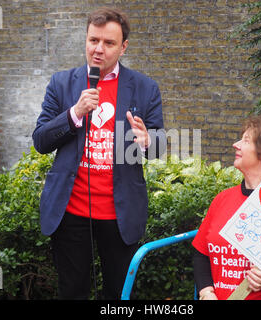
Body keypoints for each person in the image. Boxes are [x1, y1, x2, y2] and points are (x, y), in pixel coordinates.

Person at [32, 7, 165, 299]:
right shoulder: (61, 83)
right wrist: (74, 113)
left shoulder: (144, 87)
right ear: (86, 40)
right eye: (93, 40)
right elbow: (41, 141)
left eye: (108, 43)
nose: (98, 49)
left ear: (123, 47)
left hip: (120, 214)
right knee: (72, 291)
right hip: (70, 211)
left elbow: (160, 147)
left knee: (119, 294)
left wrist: (146, 141)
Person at [192, 115, 261, 300]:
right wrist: (206, 293)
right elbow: (200, 254)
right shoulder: (222, 199)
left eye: (245, 141)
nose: (235, 144)